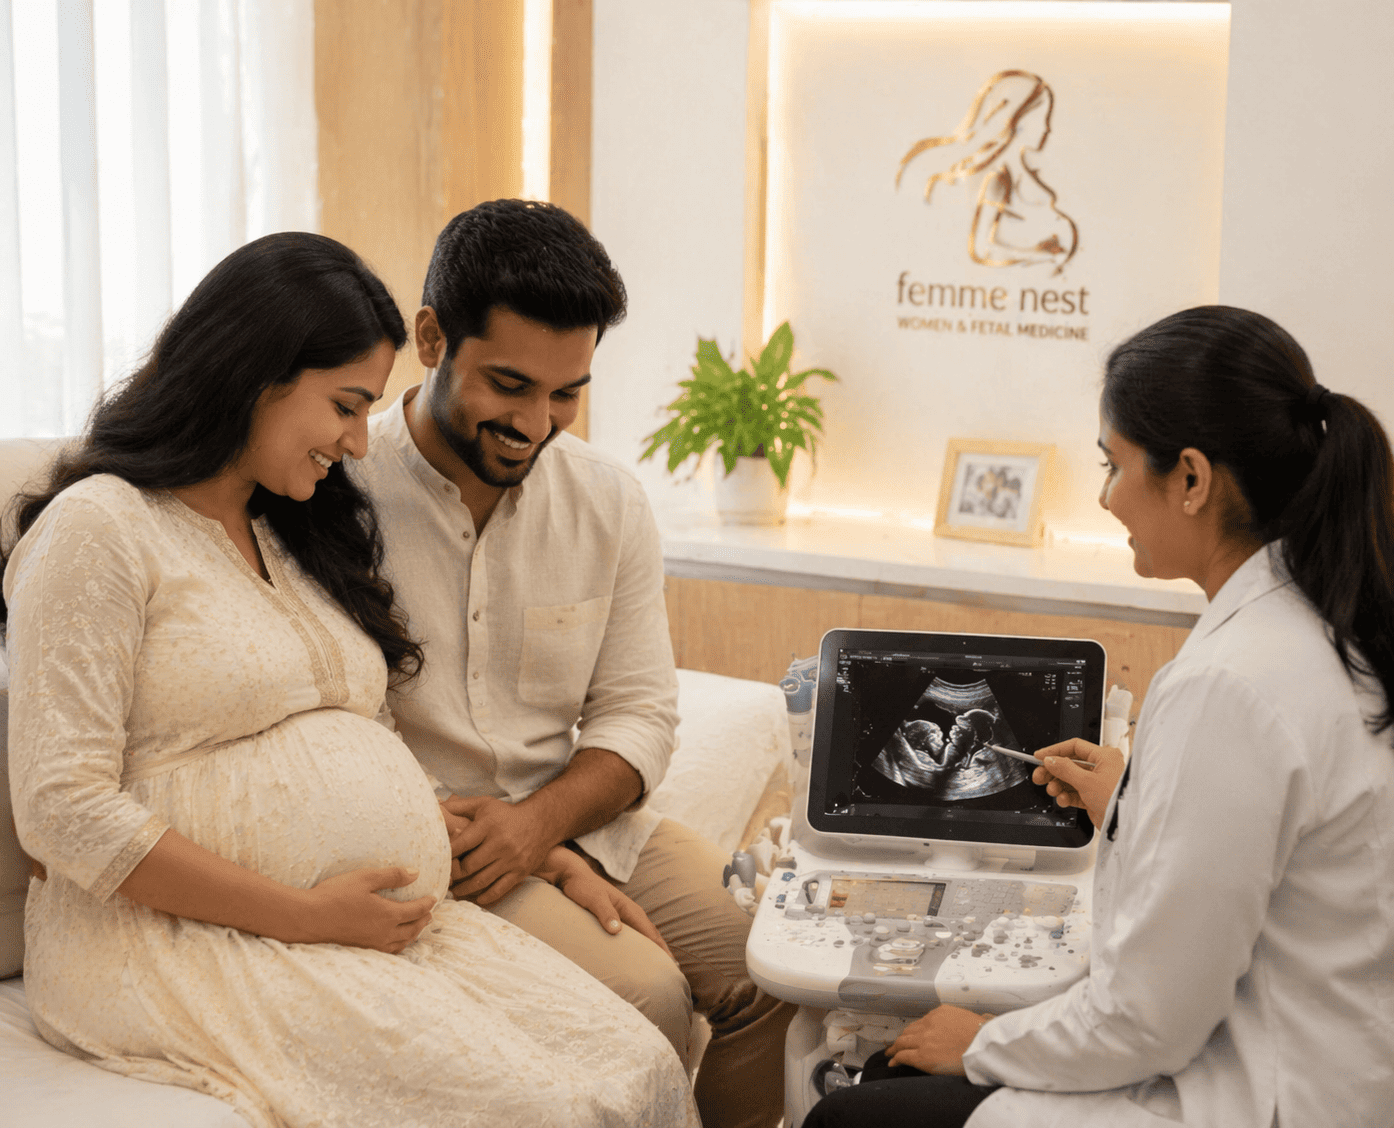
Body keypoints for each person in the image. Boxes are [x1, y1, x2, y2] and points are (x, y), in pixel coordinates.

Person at [3, 232, 699, 1128]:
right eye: (345, 406)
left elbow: (366, 747)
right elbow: (60, 810)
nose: (359, 441)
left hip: (348, 914)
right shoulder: (100, 529)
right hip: (160, 937)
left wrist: (548, 850)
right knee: (543, 1106)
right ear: (254, 376)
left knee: (630, 1058)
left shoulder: (287, 529)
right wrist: (301, 915)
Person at [804, 305, 1394, 1128]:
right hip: (1332, 1071)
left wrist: (984, 1040)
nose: (1105, 497)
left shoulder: (1229, 683)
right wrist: (1134, 802)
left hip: (1254, 1098)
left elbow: (1148, 1020)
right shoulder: (1328, 625)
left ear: (1191, 479)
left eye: (1112, 465)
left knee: (853, 1111)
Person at [354, 198, 797, 1128]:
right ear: (431, 339)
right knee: (648, 997)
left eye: (566, 393)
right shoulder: (339, 496)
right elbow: (339, 732)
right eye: (509, 385)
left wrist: (541, 829)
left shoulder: (608, 501)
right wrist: (527, 849)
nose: (536, 422)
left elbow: (641, 715)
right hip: (435, 844)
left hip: (580, 822)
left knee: (776, 968)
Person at [896, 70, 1078, 274]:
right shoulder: (998, 178)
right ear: (1018, 121)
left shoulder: (1021, 172)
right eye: (1043, 117)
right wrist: (1043, 256)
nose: (1047, 128)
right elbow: (984, 249)